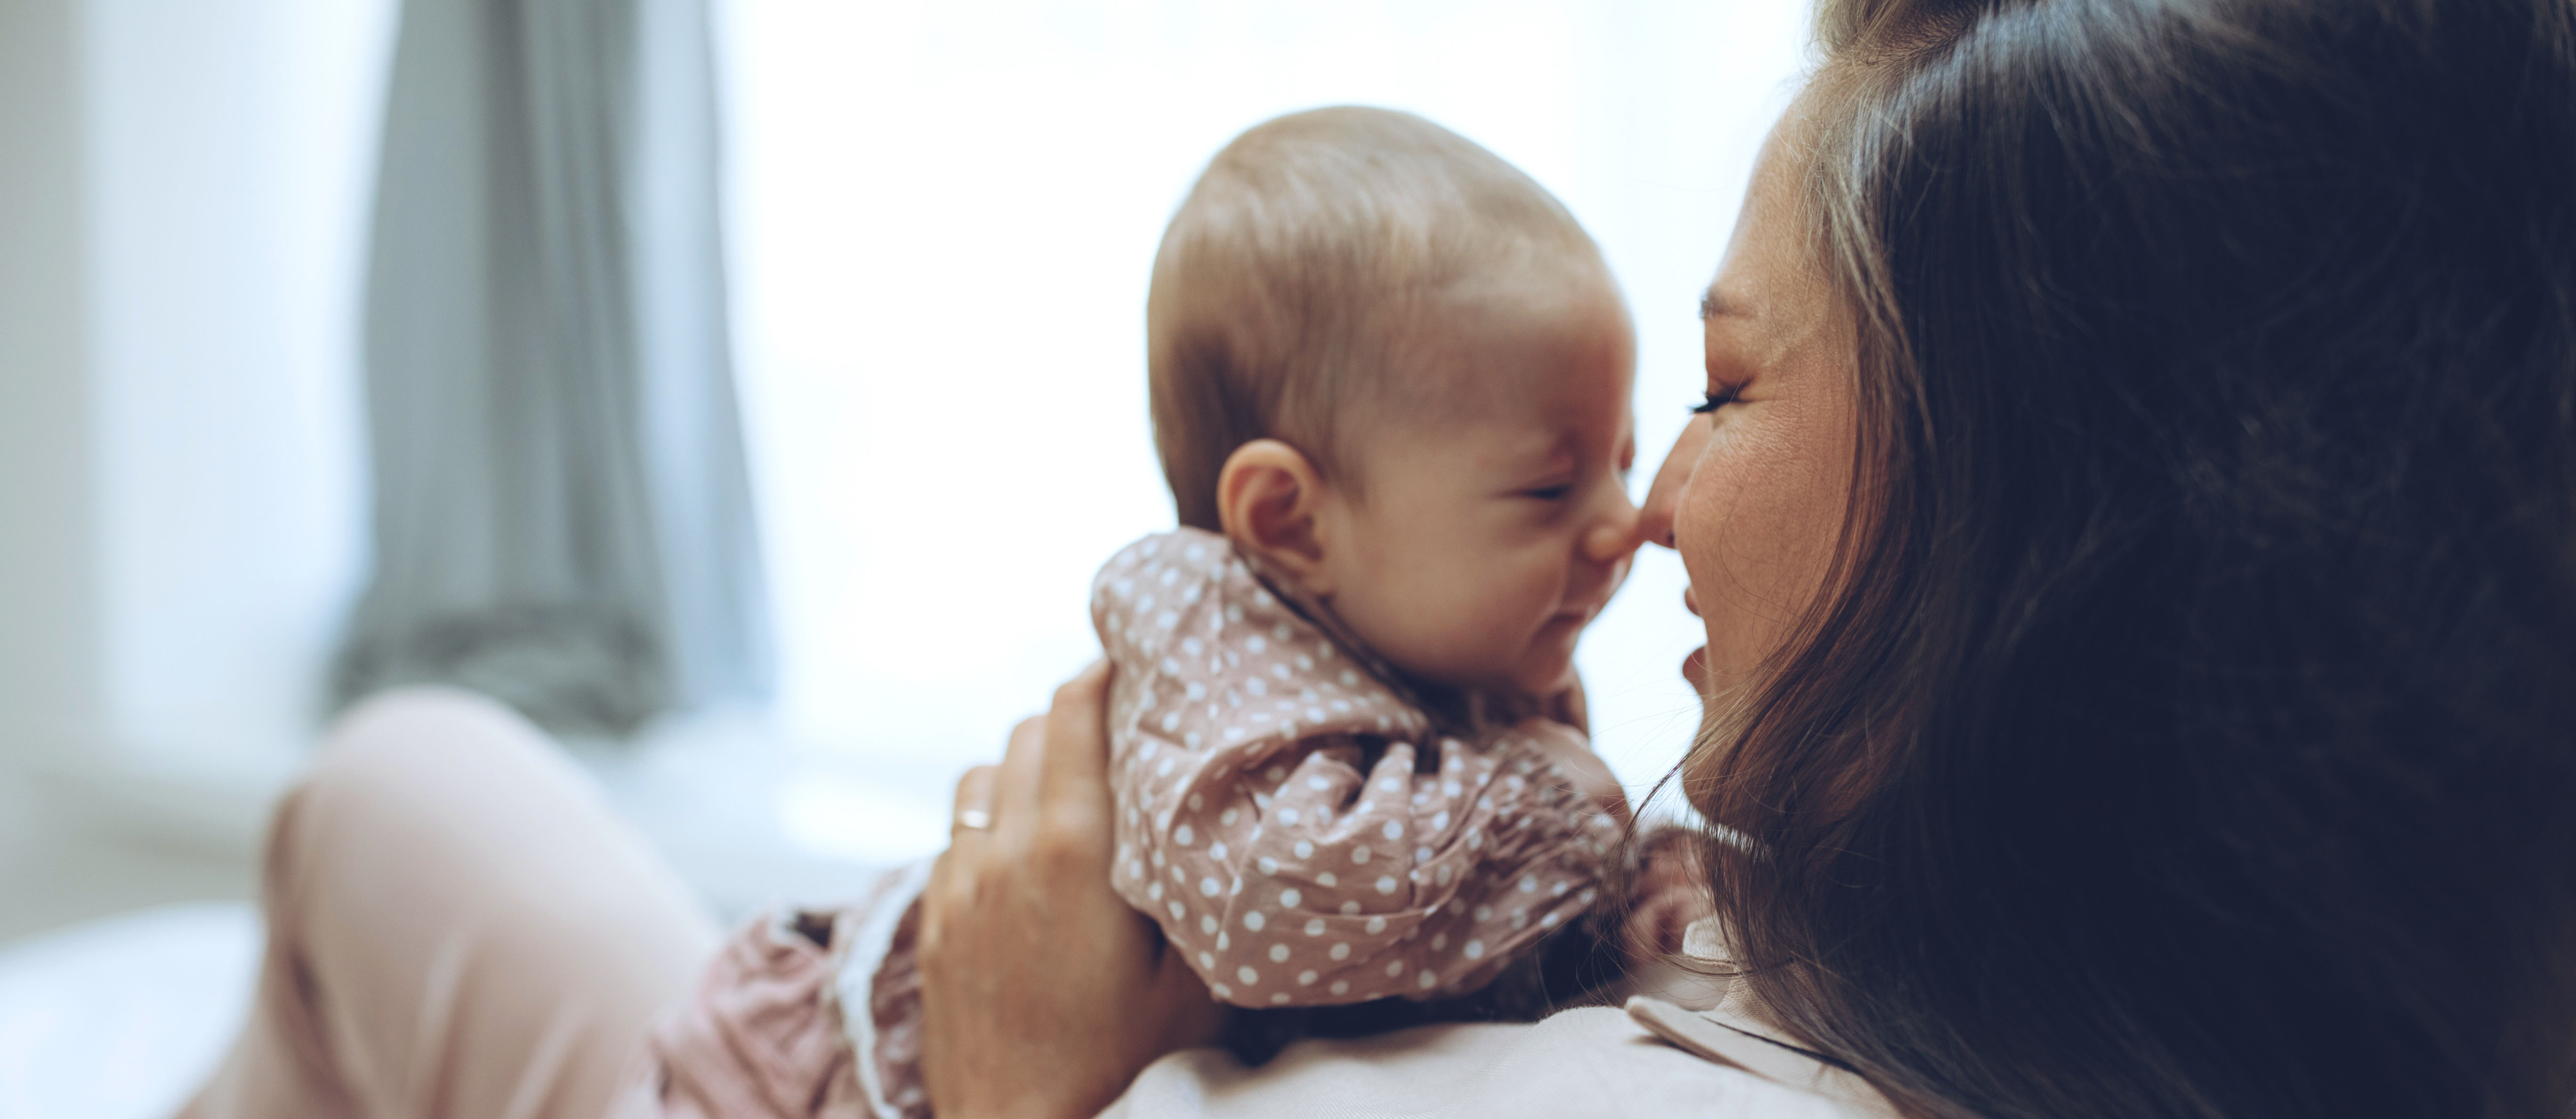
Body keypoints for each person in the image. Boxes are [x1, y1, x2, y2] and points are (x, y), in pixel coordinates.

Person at [181, 0, 2576, 1116]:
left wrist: (1022, 1080)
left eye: (1717, 398)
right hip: (817, 1036)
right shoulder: (2067, 941)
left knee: (388, 788)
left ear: (2033, 521)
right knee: (390, 788)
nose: (1647, 516)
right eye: (1584, 468)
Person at [639, 106, 1712, 1119]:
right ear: (1292, 520)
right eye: (1548, 488)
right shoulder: (1207, 629)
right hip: (783, 1081)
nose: (1624, 523)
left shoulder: (1473, 655)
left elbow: (1474, 928)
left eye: (1619, 462)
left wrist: (1645, 888)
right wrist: (1572, 816)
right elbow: (1277, 911)